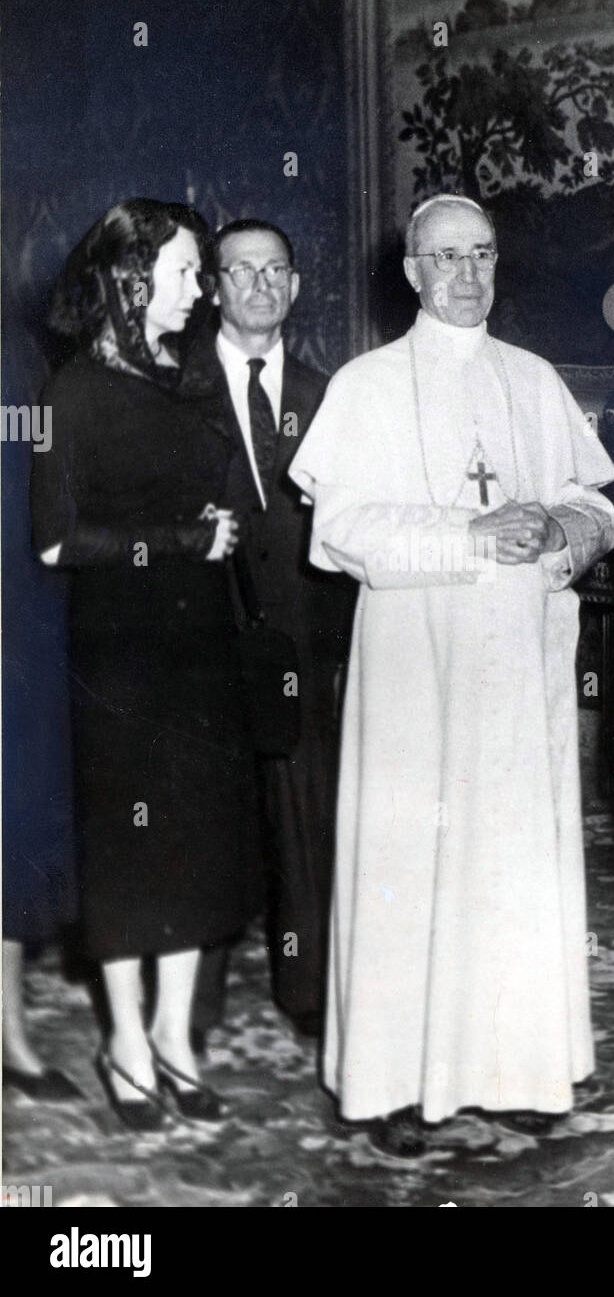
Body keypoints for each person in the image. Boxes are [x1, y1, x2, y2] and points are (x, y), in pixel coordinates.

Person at [290, 194, 614, 1157]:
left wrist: (562, 529)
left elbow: (592, 504)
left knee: (514, 860)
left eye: (481, 255)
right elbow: (340, 532)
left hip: (519, 660)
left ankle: (516, 1069)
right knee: (407, 865)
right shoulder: (367, 385)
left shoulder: (534, 378)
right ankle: (395, 1082)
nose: (467, 275)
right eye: (446, 258)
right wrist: (468, 532)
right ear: (412, 272)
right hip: (413, 665)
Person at [31, 199, 260, 1130]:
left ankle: (174, 1038)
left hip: (201, 645)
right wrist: (179, 539)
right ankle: (124, 1042)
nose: (200, 290)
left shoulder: (192, 378)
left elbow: (234, 497)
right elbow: (55, 544)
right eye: (184, 274)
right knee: (129, 853)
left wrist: (224, 526)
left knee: (196, 846)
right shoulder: (72, 396)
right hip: (120, 655)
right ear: (130, 282)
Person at [185, 220, 355, 1045]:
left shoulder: (336, 396)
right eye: (239, 271)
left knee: (305, 812)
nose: (258, 286)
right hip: (200, 634)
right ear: (213, 287)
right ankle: (193, 1001)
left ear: (294, 286)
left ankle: (309, 993)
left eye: (274, 271)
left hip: (303, 634)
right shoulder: (172, 393)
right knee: (204, 815)